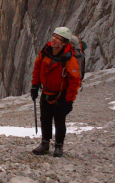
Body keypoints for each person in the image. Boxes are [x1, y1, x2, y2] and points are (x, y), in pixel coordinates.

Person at [30, 27, 82, 157]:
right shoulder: (45, 51)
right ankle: (45, 143)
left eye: (58, 38)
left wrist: (69, 100)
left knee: (59, 120)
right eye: (54, 36)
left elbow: (75, 80)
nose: (54, 39)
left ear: (64, 43)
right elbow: (37, 68)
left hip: (61, 96)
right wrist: (35, 86)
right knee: (45, 119)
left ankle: (59, 145)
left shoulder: (69, 59)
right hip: (46, 93)